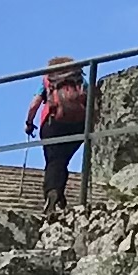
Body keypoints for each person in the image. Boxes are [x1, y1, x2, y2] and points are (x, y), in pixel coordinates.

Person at [27, 57, 92, 212]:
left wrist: (29, 123)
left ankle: (52, 193)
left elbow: (34, 104)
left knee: (54, 160)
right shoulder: (80, 80)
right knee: (61, 161)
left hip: (52, 124)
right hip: (78, 125)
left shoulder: (48, 81)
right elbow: (91, 99)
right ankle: (59, 197)